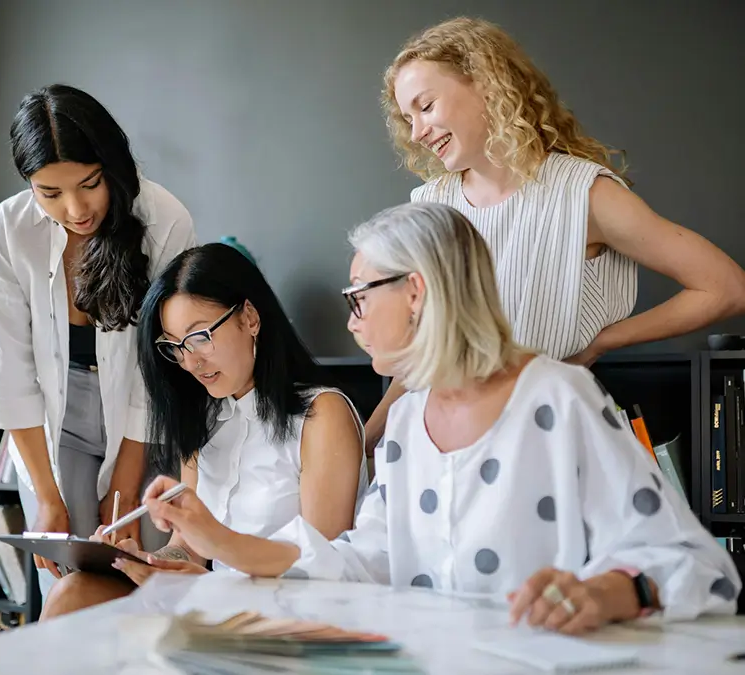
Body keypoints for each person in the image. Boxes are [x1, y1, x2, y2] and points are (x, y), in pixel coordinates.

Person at [135, 203, 741, 636]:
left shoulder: (558, 397)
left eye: (360, 298)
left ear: (417, 292)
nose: (352, 320)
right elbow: (360, 559)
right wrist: (218, 542)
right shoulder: (404, 425)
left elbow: (700, 567)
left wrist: (607, 591)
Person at [362, 16, 745, 454]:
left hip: (545, 441)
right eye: (407, 117)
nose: (416, 132)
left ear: (486, 83)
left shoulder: (585, 195)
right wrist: (366, 441)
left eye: (425, 106)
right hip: (439, 446)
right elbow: (420, 359)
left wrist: (602, 340)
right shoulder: (428, 207)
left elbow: (726, 288)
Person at [37, 243, 368, 620]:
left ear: (250, 317)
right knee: (74, 590)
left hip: (290, 607)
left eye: (200, 337)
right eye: (175, 346)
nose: (191, 361)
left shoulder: (321, 414)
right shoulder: (204, 418)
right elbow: (186, 548)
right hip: (216, 597)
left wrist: (211, 580)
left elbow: (320, 562)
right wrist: (138, 560)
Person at [0, 84, 197, 600]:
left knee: (145, 578)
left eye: (89, 184)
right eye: (50, 193)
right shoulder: (7, 231)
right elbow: (7, 371)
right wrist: (46, 495)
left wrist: (125, 480)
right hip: (56, 423)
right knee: (69, 581)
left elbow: (157, 365)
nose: (75, 209)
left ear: (110, 166)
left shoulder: (165, 219)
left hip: (149, 422)